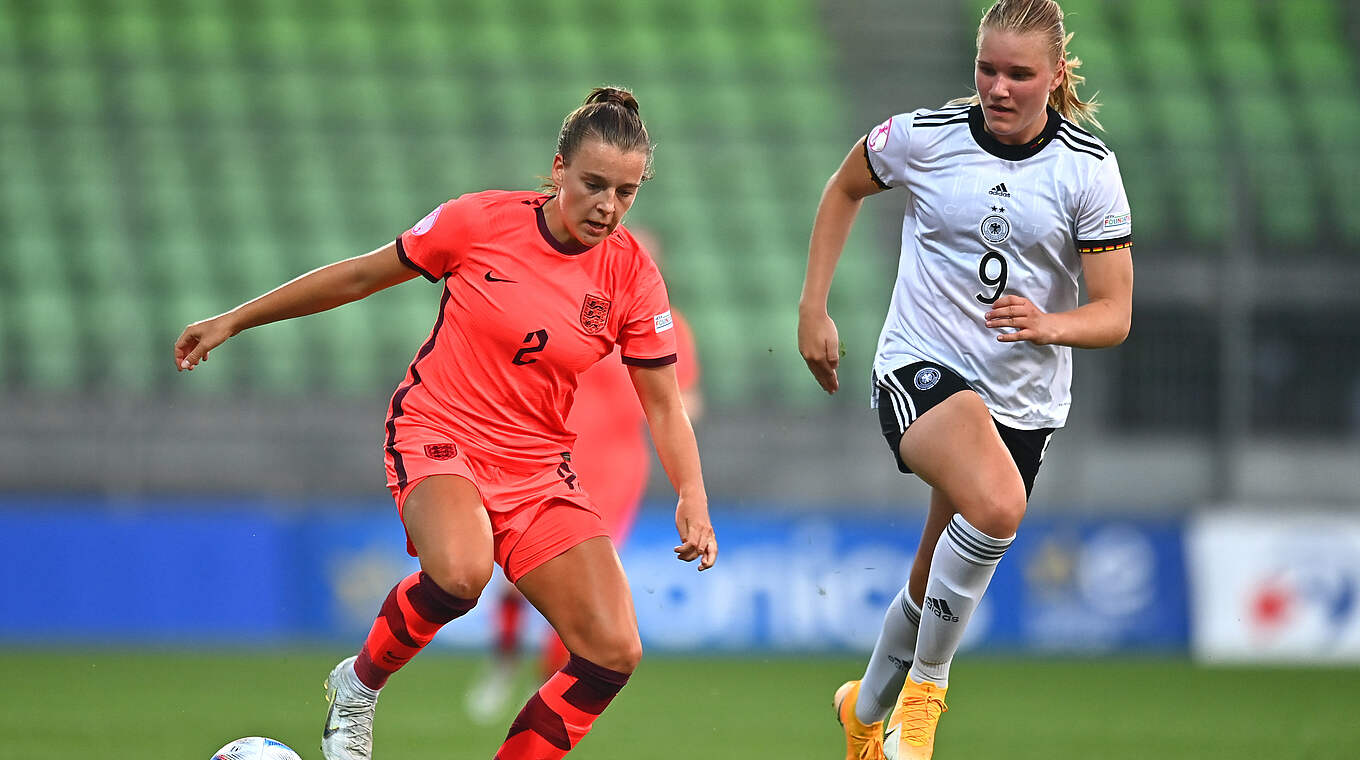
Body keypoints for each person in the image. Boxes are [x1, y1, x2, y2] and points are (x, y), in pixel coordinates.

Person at [173, 86, 717, 760]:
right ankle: (358, 686)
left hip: (538, 467)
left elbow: (664, 402)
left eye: (627, 192)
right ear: (557, 170)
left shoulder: (633, 276)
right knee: (461, 574)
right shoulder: (479, 221)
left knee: (612, 651)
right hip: (441, 433)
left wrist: (692, 494)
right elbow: (359, 277)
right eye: (594, 184)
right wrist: (236, 318)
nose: (608, 206)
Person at [796, 2, 1132, 758]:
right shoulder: (924, 136)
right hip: (921, 361)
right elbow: (843, 188)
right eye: (988, 68)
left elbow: (1114, 314)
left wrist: (1051, 323)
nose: (999, 87)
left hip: (1024, 400)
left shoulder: (1087, 168)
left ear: (1055, 76)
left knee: (930, 580)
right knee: (998, 502)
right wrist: (813, 306)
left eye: (1020, 73)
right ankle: (927, 693)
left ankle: (862, 714)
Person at [465, 228, 704, 723]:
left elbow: (686, 402)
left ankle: (547, 684)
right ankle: (503, 663)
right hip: (551, 454)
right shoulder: (576, 309)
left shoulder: (668, 327)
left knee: (581, 578)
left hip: (616, 468)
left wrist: (667, 408)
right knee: (513, 576)